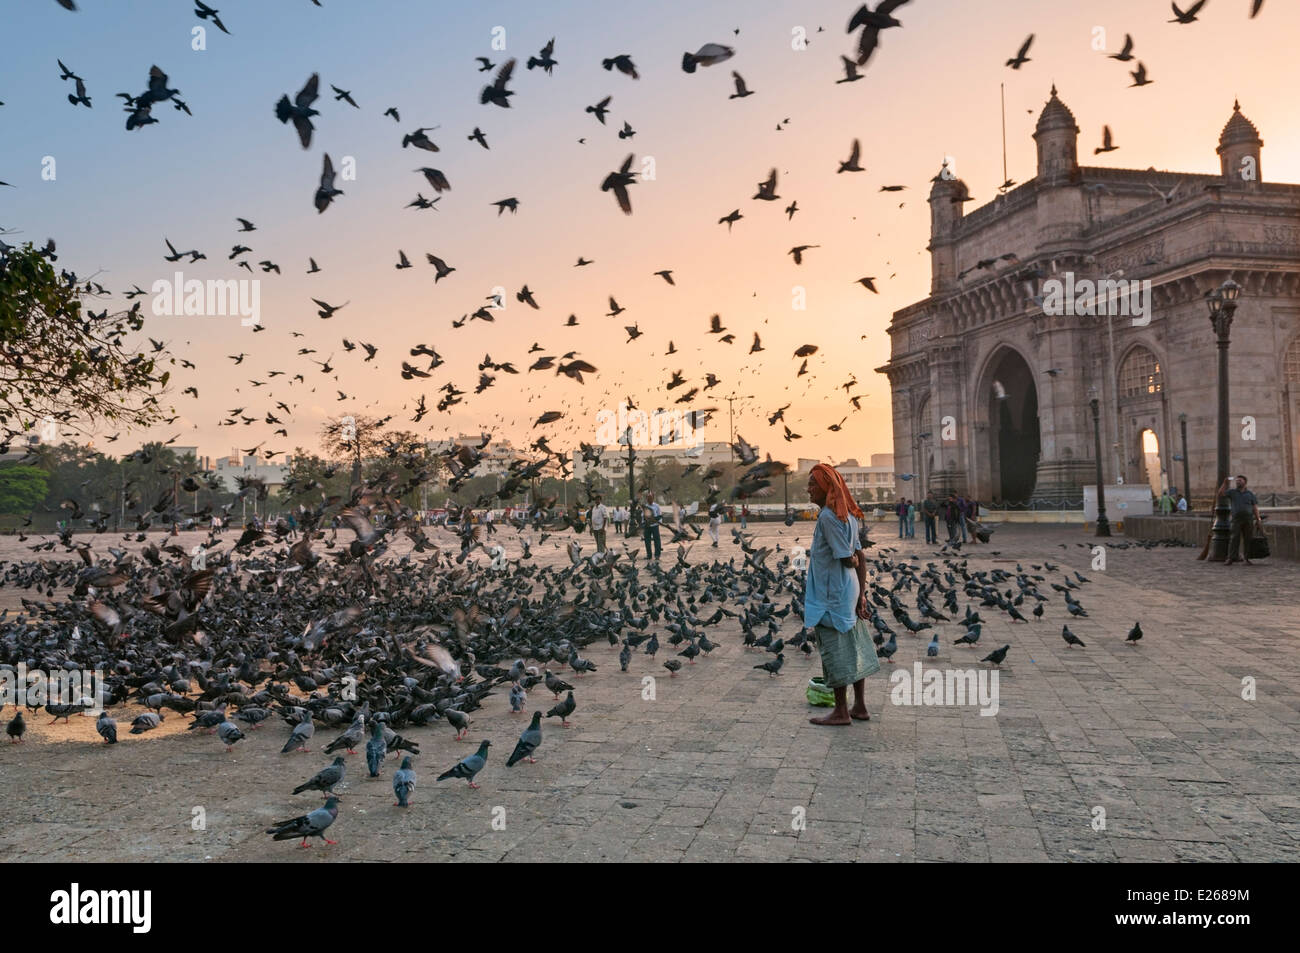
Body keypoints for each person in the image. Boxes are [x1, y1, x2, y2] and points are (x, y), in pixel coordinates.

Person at [804, 463, 880, 727]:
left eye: (813, 484)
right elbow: (860, 554)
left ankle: (841, 711)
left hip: (830, 595)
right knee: (855, 647)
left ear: (825, 488)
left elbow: (849, 558)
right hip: (848, 591)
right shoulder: (846, 515)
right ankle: (859, 706)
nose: (808, 489)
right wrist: (861, 593)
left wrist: (852, 565)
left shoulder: (827, 516)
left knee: (835, 652)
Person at [1218, 475, 1261, 566]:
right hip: (1236, 519)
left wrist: (1258, 519)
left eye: (1240, 480)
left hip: (1248, 519)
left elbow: (1255, 507)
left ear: (1245, 482)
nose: (1238, 482)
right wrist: (1225, 483)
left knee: (1248, 539)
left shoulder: (1250, 494)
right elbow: (1221, 494)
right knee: (1234, 539)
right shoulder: (1232, 492)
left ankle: (1247, 558)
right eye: (1237, 481)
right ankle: (1231, 558)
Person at [641, 491, 662, 561]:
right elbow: (642, 516)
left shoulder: (657, 506)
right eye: (648, 498)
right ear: (646, 499)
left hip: (655, 526)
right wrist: (643, 523)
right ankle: (649, 555)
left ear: (653, 498)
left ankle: (657, 555)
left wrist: (659, 523)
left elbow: (660, 515)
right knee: (647, 541)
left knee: (657, 541)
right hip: (647, 526)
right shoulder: (645, 507)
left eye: (651, 498)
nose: (649, 499)